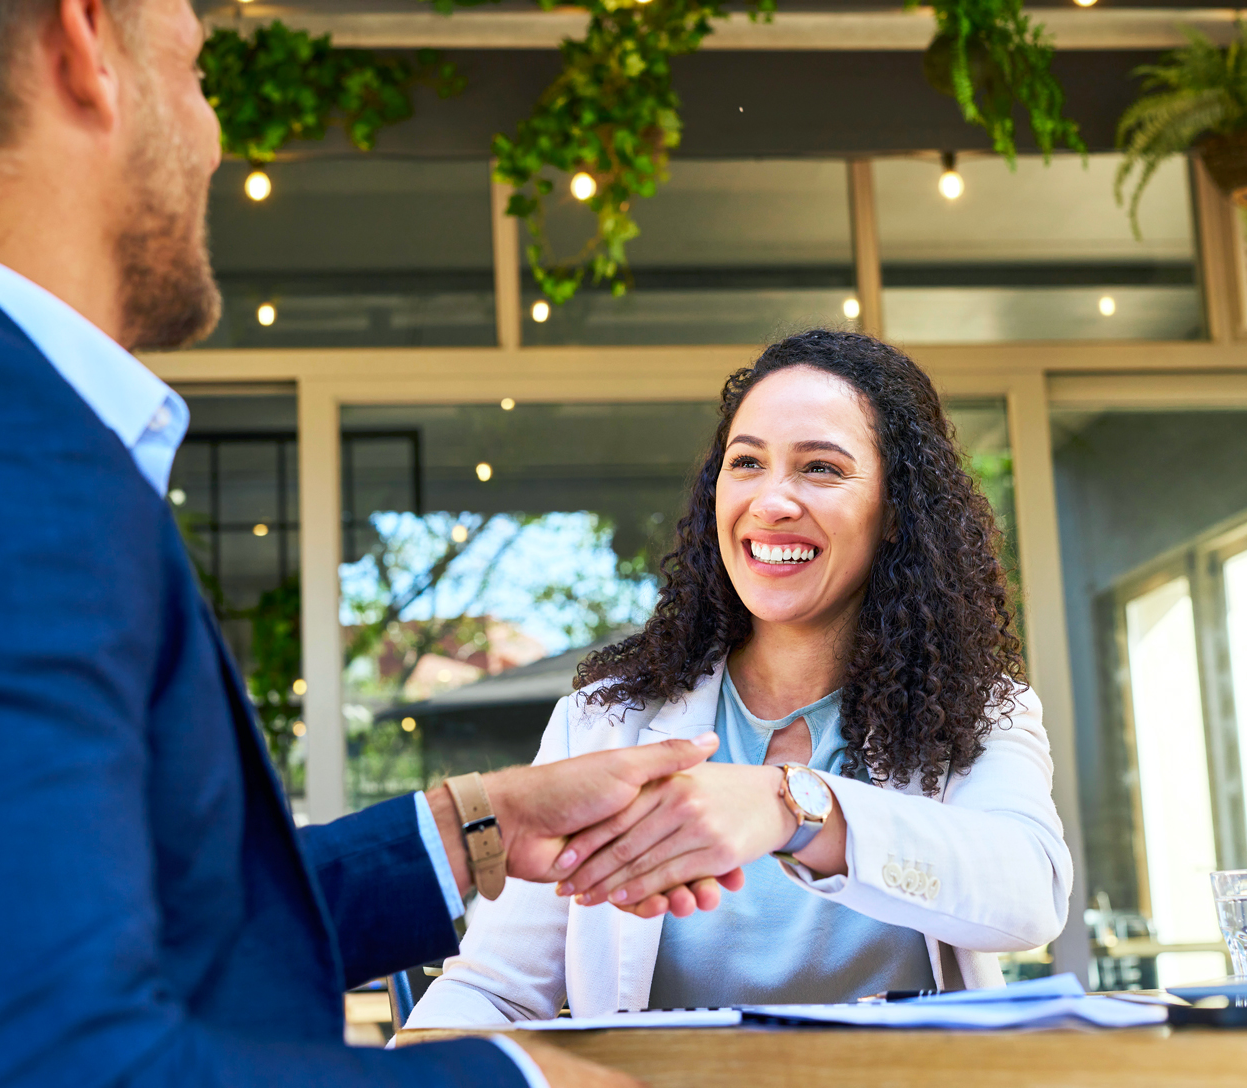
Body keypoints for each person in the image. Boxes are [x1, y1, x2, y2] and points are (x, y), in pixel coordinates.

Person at [0, 2, 730, 1086]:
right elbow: (40, 1066)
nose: (213, 140)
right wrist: (538, 1082)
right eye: (195, 72)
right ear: (86, 46)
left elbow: (124, 930)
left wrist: (477, 824)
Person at [407, 329, 1074, 1027]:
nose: (772, 501)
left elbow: (1029, 896)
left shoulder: (979, 709)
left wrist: (793, 807)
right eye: (747, 462)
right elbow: (494, 990)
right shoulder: (605, 721)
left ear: (896, 512)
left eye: (821, 468)